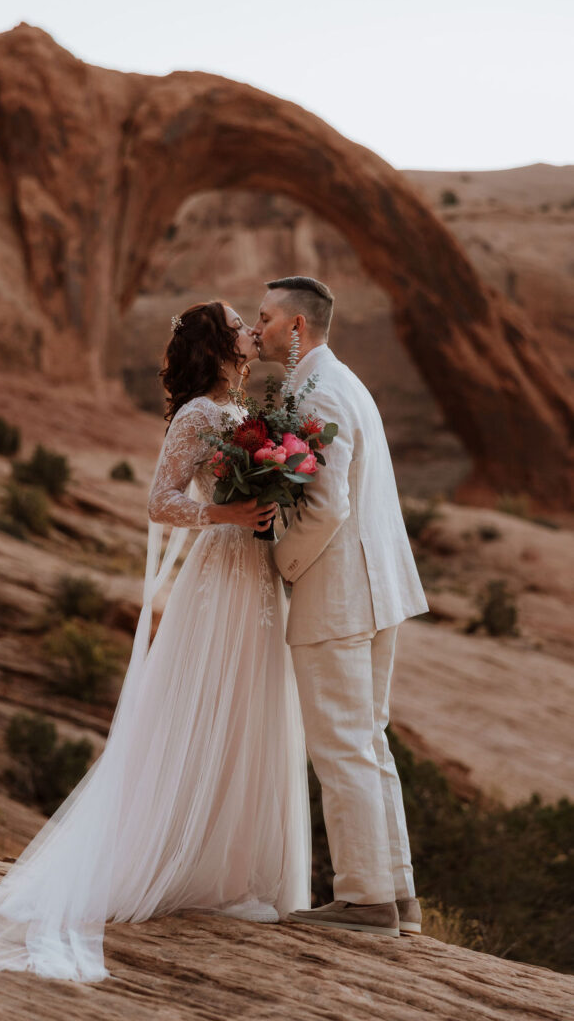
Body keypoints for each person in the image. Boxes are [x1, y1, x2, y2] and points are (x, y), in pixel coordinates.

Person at [0, 301, 311, 983]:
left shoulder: (244, 413)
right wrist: (227, 511)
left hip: (255, 576)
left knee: (248, 715)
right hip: (217, 577)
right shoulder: (199, 414)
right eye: (237, 323)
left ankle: (234, 872)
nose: (250, 329)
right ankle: (182, 865)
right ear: (216, 344)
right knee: (203, 709)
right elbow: (159, 501)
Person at [252, 276, 429, 937]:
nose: (257, 327)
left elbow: (325, 505)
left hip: (340, 593)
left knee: (342, 746)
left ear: (296, 328)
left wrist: (278, 561)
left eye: (265, 318)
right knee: (368, 741)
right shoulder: (345, 382)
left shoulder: (317, 393)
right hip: (379, 587)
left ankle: (363, 900)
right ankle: (396, 894)